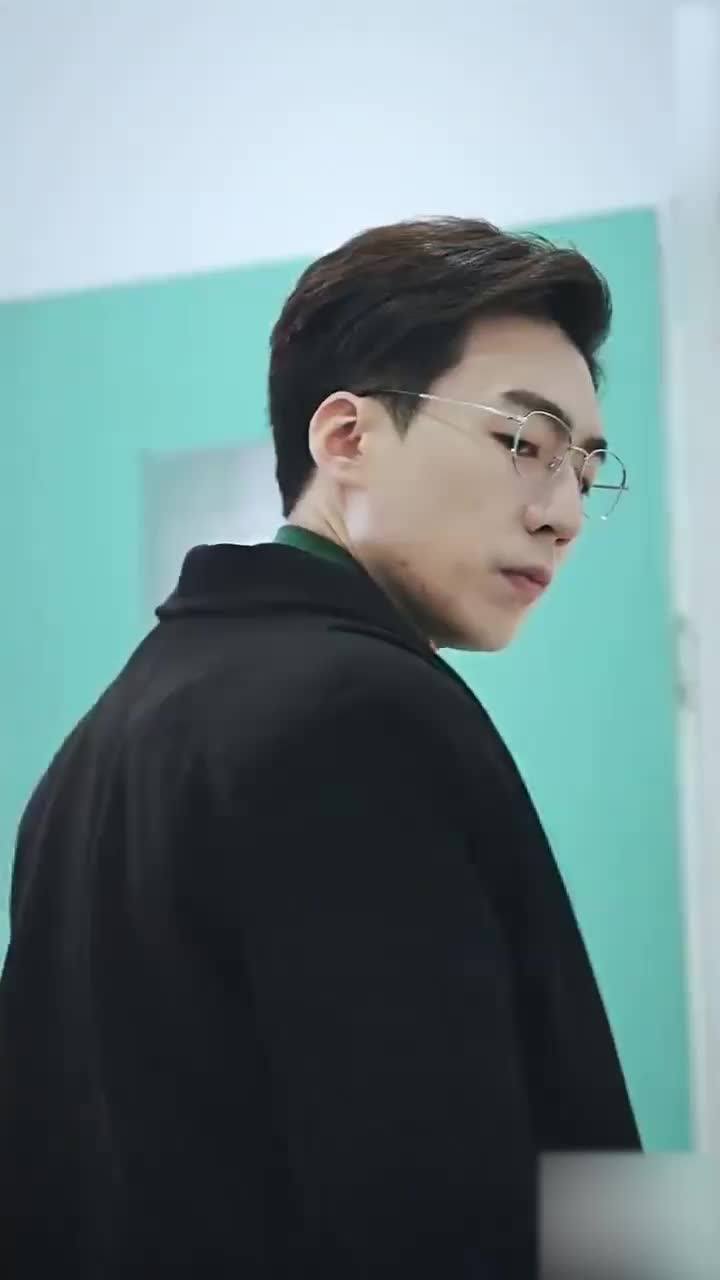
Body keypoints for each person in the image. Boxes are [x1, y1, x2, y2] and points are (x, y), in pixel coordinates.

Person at [0, 217, 640, 1278]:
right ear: (346, 437)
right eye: (524, 443)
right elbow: (446, 1209)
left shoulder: (103, 739)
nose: (563, 513)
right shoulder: (363, 713)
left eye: (586, 467)